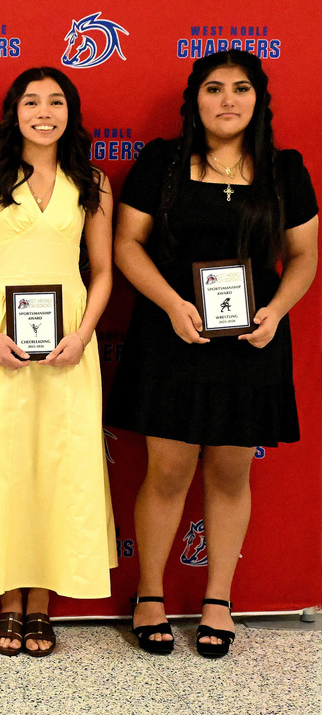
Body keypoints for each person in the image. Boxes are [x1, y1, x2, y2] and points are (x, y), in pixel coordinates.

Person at [107, 50, 317, 658]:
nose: (227, 99)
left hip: (251, 340)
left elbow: (304, 255)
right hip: (173, 333)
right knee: (168, 472)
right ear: (194, 99)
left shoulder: (284, 170)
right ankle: (149, 594)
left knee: (230, 472)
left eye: (241, 88)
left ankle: (218, 600)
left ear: (259, 100)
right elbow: (127, 244)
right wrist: (172, 304)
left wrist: (277, 312)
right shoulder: (161, 162)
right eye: (214, 88)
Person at [0, 67, 116, 658]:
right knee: (5, 463)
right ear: (13, 112)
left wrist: (83, 334)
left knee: (60, 465)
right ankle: (8, 597)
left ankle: (42, 601)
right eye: (31, 102)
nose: (44, 112)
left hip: (70, 343)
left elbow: (103, 271)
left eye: (56, 102)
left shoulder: (93, 182)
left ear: (70, 113)